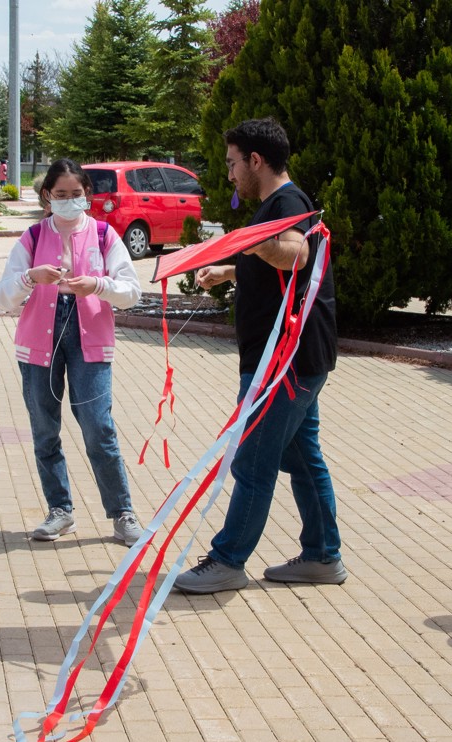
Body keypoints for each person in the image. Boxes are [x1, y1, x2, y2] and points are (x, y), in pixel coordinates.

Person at [173, 117, 343, 594]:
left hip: (285, 365)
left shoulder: (287, 204)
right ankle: (323, 555)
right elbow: (275, 263)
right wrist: (230, 269)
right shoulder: (280, 204)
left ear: (255, 160)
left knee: (251, 460)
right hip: (296, 360)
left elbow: (294, 255)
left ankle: (228, 560)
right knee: (303, 457)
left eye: (232, 163)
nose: (229, 175)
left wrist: (249, 244)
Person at [0, 158, 145, 546]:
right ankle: (60, 510)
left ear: (87, 195)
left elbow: (131, 291)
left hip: (89, 337)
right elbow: (2, 298)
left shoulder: (103, 234)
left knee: (98, 427)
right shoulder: (31, 236)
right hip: (38, 342)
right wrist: (30, 277)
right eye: (60, 195)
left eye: (76, 195)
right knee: (45, 430)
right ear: (47, 196)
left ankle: (122, 512)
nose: (68, 201)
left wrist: (96, 285)